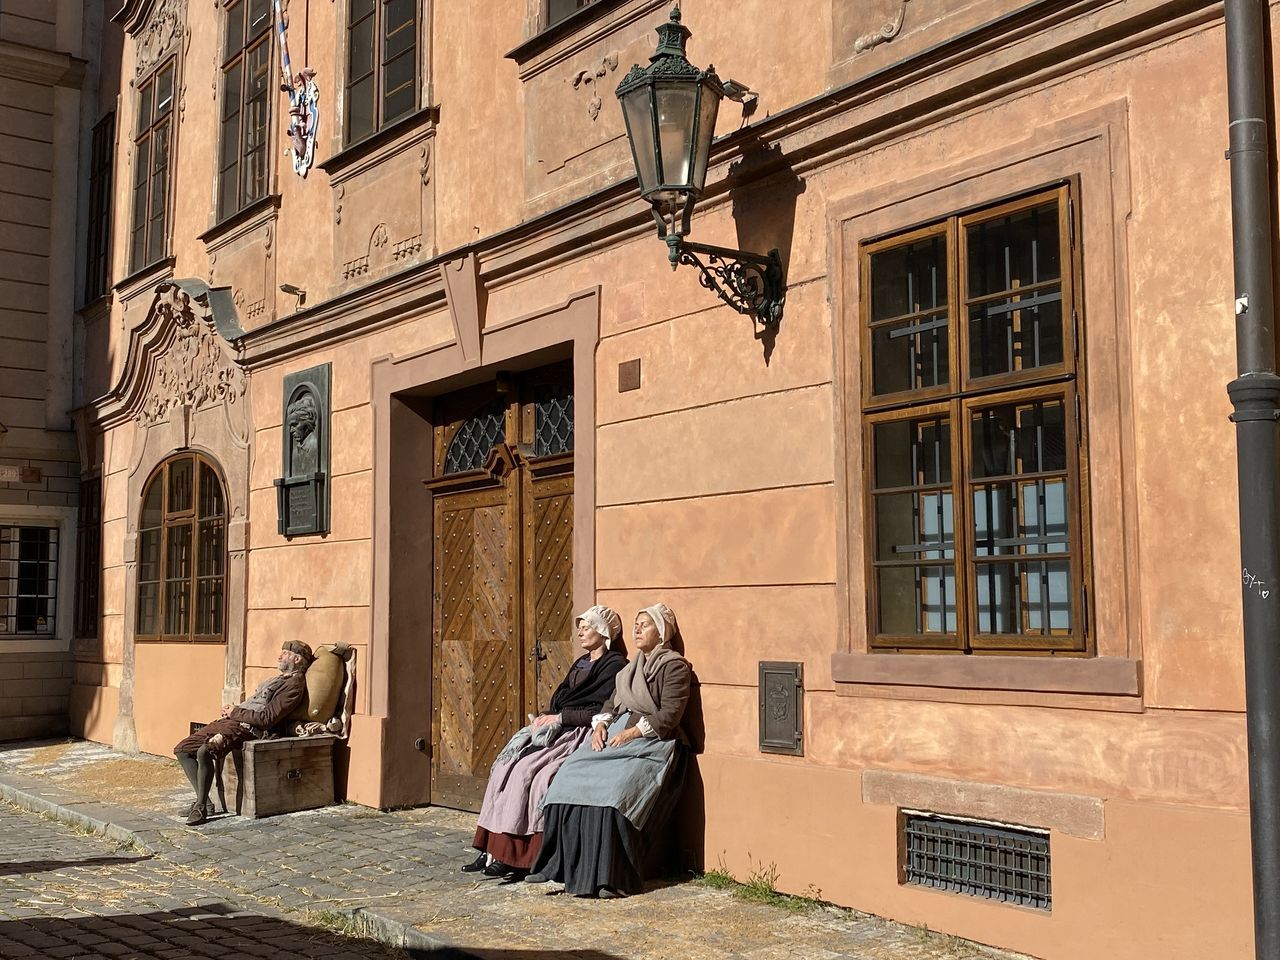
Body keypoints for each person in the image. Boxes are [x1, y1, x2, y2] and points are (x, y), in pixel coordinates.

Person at [528, 603, 692, 898]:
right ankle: (557, 865)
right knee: (568, 776)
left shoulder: (674, 666)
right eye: (636, 623)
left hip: (654, 742)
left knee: (615, 792)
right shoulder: (630, 670)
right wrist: (601, 725)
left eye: (646, 624)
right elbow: (611, 705)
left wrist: (631, 732)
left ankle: (608, 877)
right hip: (616, 734)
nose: (637, 629)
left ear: (662, 632)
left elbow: (670, 715)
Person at [465, 605, 628, 880]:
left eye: (587, 626)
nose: (580, 631)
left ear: (602, 631)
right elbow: (561, 698)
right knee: (503, 767)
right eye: (580, 627)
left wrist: (559, 718)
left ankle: (515, 855)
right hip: (555, 727)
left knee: (530, 774)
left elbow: (600, 709)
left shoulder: (614, 665)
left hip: (576, 733)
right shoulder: (581, 663)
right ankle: (491, 849)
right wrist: (547, 717)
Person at [172, 640, 313, 826]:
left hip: (247, 728)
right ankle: (204, 800)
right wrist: (234, 711)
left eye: (285, 654)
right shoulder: (277, 679)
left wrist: (235, 712)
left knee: (205, 751)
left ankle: (200, 808)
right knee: (182, 749)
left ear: (297, 659)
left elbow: (266, 719)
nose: (280, 656)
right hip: (231, 721)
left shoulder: (293, 686)